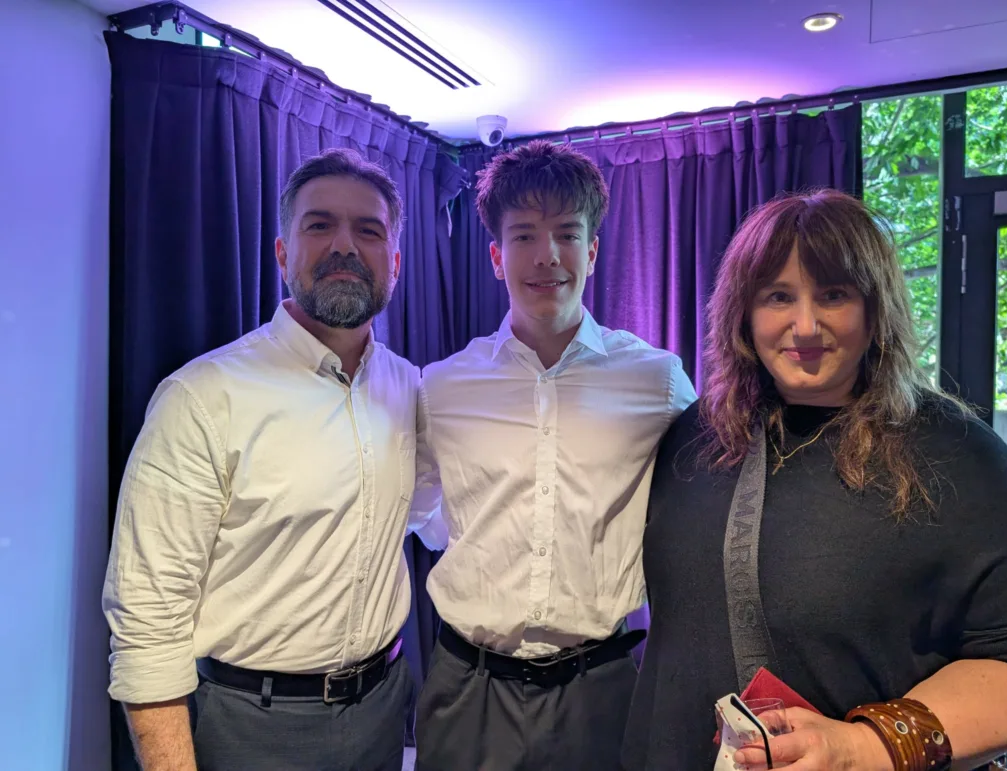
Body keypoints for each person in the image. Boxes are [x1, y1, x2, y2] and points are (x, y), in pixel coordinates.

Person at [623, 189, 1007, 771]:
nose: (805, 326)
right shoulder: (696, 436)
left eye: (834, 295)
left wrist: (863, 746)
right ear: (743, 312)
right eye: (778, 296)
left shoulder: (957, 454)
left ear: (874, 308)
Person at [103, 148, 446, 771]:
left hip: (382, 709)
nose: (344, 245)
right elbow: (148, 618)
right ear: (283, 253)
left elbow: (432, 514)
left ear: (394, 264)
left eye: (368, 231)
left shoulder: (408, 387)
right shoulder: (203, 397)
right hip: (251, 725)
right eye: (320, 225)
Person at [412, 139, 697, 771]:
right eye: (523, 236)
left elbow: (706, 507)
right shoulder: (442, 387)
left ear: (591, 251)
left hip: (603, 690)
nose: (547, 256)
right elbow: (418, 508)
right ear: (496, 256)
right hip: (468, 691)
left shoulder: (656, 381)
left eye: (567, 234)